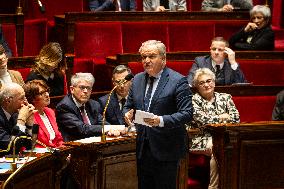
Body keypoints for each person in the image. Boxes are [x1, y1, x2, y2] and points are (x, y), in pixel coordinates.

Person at [124, 40, 193, 189]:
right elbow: (128, 106)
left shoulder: (178, 80)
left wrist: (160, 120)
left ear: (163, 58)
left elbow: (187, 113)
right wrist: (127, 114)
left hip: (166, 148)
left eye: (151, 56)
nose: (146, 61)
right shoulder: (136, 80)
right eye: (143, 57)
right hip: (143, 147)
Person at [190, 68, 240, 189]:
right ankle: (214, 187)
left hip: (224, 137)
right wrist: (223, 117)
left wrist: (214, 118)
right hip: (198, 138)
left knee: (236, 146)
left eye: (209, 81)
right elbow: (203, 121)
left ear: (214, 82)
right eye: (202, 83)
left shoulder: (226, 97)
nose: (207, 84)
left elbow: (236, 118)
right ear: (197, 86)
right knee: (217, 148)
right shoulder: (193, 101)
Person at [56, 73, 121, 142]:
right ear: (72, 89)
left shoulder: (93, 104)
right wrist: (107, 129)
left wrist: (114, 129)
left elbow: (101, 122)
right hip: (74, 146)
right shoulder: (64, 107)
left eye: (88, 88)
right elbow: (82, 129)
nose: (85, 91)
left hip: (94, 143)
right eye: (82, 87)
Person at [23, 80, 64, 148]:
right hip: (42, 155)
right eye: (42, 93)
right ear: (32, 98)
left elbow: (58, 138)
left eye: (47, 91)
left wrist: (63, 149)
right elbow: (34, 144)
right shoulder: (29, 116)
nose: (47, 95)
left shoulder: (50, 111)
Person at [0, 83, 36, 154]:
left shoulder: (15, 114)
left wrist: (30, 123)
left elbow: (31, 145)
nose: (26, 102)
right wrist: (21, 120)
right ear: (8, 101)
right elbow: (11, 148)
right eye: (22, 98)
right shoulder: (19, 116)